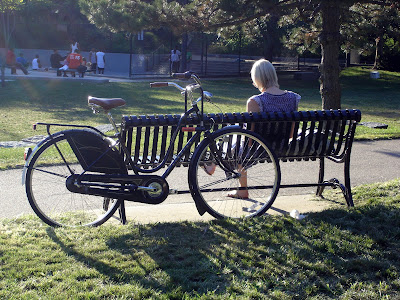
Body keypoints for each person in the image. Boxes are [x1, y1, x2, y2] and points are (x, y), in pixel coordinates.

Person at [203, 59, 301, 199]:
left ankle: (216, 167)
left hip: (258, 149)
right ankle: (214, 165)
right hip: (282, 146)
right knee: (235, 137)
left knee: (232, 137)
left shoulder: (255, 101)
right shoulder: (293, 98)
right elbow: (291, 134)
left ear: (257, 78)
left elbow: (249, 140)